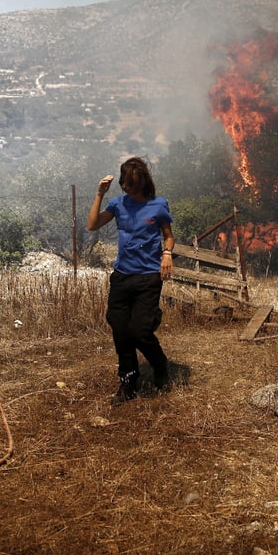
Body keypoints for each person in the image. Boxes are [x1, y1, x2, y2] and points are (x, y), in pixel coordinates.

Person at [87, 157, 175, 405]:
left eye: (134, 186)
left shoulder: (158, 205)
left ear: (142, 182)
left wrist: (167, 254)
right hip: (122, 277)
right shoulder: (118, 204)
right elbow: (92, 225)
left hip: (148, 277)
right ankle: (128, 383)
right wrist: (99, 194)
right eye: (127, 186)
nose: (130, 190)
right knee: (120, 330)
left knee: (140, 331)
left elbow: (168, 237)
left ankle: (160, 365)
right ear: (123, 184)